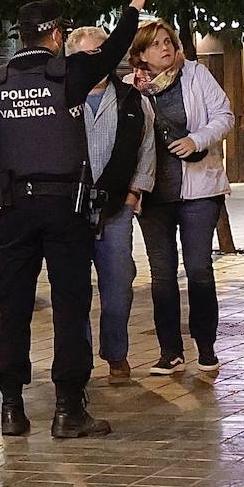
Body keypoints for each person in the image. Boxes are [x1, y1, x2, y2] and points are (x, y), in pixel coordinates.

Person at [0, 0, 154, 438]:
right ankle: (68, 410)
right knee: (69, 305)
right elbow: (114, 51)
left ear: (21, 35)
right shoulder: (69, 74)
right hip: (66, 210)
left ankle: (11, 408)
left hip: (15, 211)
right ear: (57, 34)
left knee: (15, 307)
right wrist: (131, 9)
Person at [127, 19, 234, 376]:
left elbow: (224, 115)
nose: (165, 47)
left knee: (199, 267)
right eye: (155, 44)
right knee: (161, 274)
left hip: (199, 189)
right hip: (154, 193)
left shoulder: (196, 75)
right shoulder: (132, 89)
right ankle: (170, 351)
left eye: (168, 41)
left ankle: (206, 346)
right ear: (141, 55)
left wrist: (198, 139)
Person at [66, 26, 156, 382]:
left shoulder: (132, 99)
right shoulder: (62, 98)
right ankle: (81, 359)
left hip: (116, 210)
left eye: (102, 51)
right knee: (73, 290)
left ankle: (116, 353)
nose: (97, 60)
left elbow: (147, 148)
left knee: (118, 286)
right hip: (70, 212)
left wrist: (135, 193)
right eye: (88, 55)